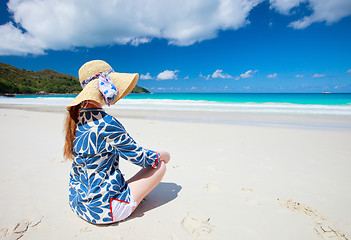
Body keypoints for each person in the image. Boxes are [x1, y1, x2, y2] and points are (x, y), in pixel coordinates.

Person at [63, 60, 170, 224]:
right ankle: (124, 202)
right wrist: (164, 155)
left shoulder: (74, 120)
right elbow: (141, 158)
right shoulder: (106, 123)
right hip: (102, 210)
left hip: (77, 202)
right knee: (160, 165)